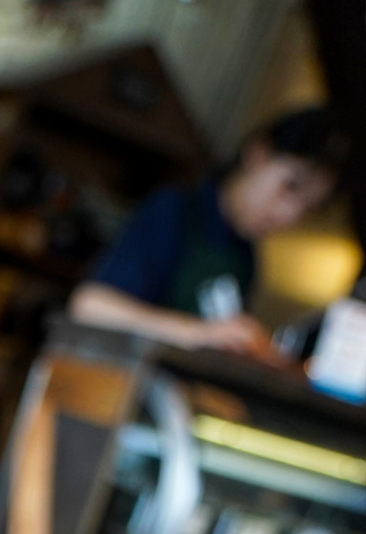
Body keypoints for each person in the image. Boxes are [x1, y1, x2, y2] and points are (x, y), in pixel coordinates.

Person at [69, 106, 351, 359]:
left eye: (306, 208)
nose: (288, 215)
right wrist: (201, 333)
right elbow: (91, 306)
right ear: (259, 154)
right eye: (290, 186)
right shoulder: (176, 211)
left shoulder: (245, 256)